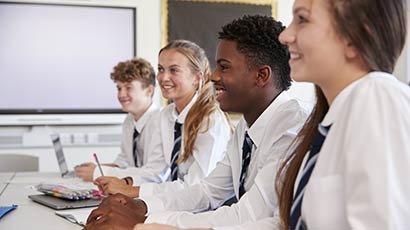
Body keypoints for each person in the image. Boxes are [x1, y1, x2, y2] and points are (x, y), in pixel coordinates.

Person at [84, 15, 310, 230]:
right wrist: (139, 206)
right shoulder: (247, 127)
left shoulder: (291, 127)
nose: (213, 76)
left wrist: (146, 219)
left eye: (224, 67)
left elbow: (250, 215)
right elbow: (207, 191)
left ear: (261, 76)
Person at [274, 0, 410, 229]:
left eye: (303, 19)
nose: (285, 35)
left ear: (354, 37)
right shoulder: (334, 121)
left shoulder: (378, 97)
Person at [93, 40, 233, 197]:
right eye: (161, 69)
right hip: (177, 202)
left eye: (174, 70)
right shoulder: (166, 116)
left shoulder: (210, 120)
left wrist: (130, 190)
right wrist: (123, 182)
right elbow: (155, 172)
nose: (164, 77)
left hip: (206, 208)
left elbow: (196, 187)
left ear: (197, 78)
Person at [74, 57, 164, 183]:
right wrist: (98, 169)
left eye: (128, 88)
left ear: (149, 90)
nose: (121, 94)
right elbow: (124, 162)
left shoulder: (161, 121)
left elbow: (153, 175)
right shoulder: (129, 121)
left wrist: (99, 173)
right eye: (119, 88)